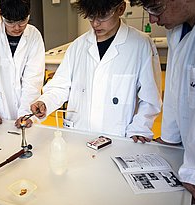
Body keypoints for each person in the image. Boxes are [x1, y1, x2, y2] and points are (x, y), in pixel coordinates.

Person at [31, 0, 162, 143]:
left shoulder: (140, 44)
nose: (95, 23)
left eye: (103, 16)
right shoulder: (77, 46)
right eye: (91, 16)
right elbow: (60, 86)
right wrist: (46, 102)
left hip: (118, 137)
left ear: (121, 9)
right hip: (78, 134)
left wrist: (140, 128)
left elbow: (150, 97)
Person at [128, 0, 195, 203]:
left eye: (157, 9)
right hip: (186, 153)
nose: (152, 19)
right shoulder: (178, 30)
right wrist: (170, 137)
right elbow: (176, 90)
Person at [0, 0, 45, 128]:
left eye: (22, 21)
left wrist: (26, 114)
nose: (17, 28)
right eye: (10, 22)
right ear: (1, 16)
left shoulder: (34, 35)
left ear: (29, 15)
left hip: (27, 108)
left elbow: (33, 80)